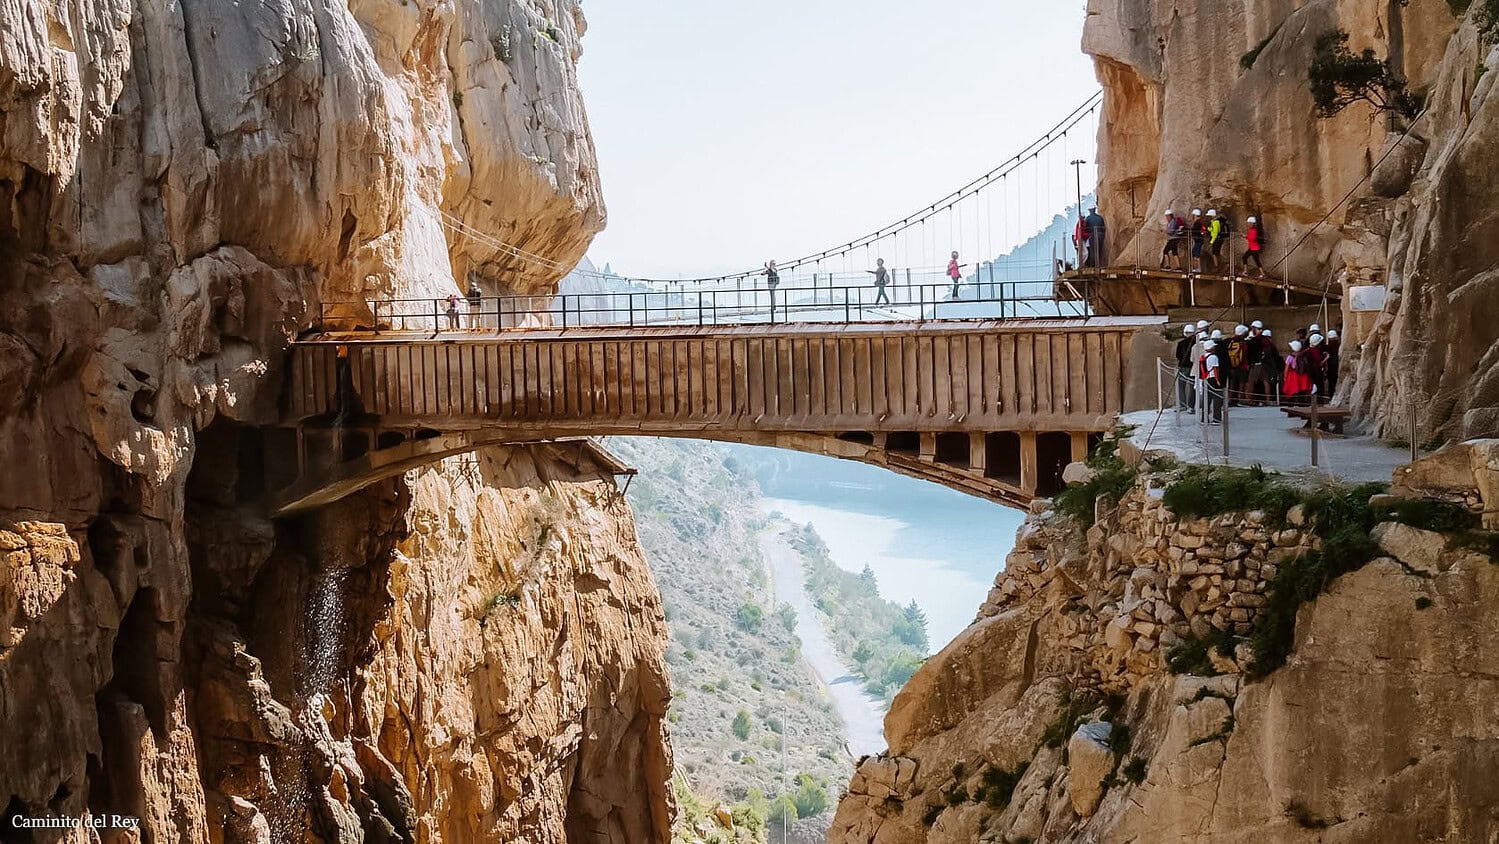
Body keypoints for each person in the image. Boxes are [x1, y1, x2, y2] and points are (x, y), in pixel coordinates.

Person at [1245, 320, 1271, 406]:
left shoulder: (1254, 340)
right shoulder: (1265, 340)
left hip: (1255, 364)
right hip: (1264, 364)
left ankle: (1249, 400)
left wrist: (1249, 363)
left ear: (1254, 328)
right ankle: (1268, 400)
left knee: (1251, 382)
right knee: (1266, 382)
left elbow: (1249, 353)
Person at [1199, 339, 1225, 424]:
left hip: (1205, 379)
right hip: (1213, 379)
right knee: (1217, 399)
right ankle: (1216, 418)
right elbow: (1215, 369)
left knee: (1206, 399)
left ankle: (1204, 418)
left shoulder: (1204, 356)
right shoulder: (1214, 357)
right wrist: (1218, 381)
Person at [1225, 324, 1252, 405]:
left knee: (1232, 384)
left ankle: (1230, 399)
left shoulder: (1229, 341)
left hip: (1232, 366)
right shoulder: (1243, 343)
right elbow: (1245, 355)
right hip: (1242, 366)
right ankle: (1241, 399)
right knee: (1242, 383)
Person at [1175, 323, 1198, 411]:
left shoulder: (1181, 343)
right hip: (1193, 367)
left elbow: (1178, 355)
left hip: (1183, 367)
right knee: (1192, 387)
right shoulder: (1197, 342)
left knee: (1181, 386)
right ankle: (1191, 405)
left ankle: (1183, 404)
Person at [1283, 340, 1310, 405]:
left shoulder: (1290, 357)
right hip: (1303, 375)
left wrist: (1285, 377)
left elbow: (1286, 368)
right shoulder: (1303, 355)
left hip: (1293, 375)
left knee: (1292, 390)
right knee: (1302, 390)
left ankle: (1292, 403)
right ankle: (1302, 402)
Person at [1307, 333, 1329, 403]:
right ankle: (1319, 402)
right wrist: (1326, 358)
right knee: (1319, 387)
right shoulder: (1316, 351)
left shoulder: (1308, 350)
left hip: (1310, 371)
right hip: (1317, 371)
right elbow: (1319, 363)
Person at [1207, 210, 1226, 274]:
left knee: (1214, 253)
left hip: (1216, 239)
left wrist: (1211, 242)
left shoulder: (1215, 222)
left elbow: (1215, 233)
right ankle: (1219, 266)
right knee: (1217, 253)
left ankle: (1217, 267)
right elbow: (1212, 229)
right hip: (1219, 239)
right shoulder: (1216, 222)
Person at [1326, 329, 1342, 397]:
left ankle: (1331, 395)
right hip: (1338, 364)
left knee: (1331, 382)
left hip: (1331, 366)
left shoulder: (1328, 346)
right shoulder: (1339, 345)